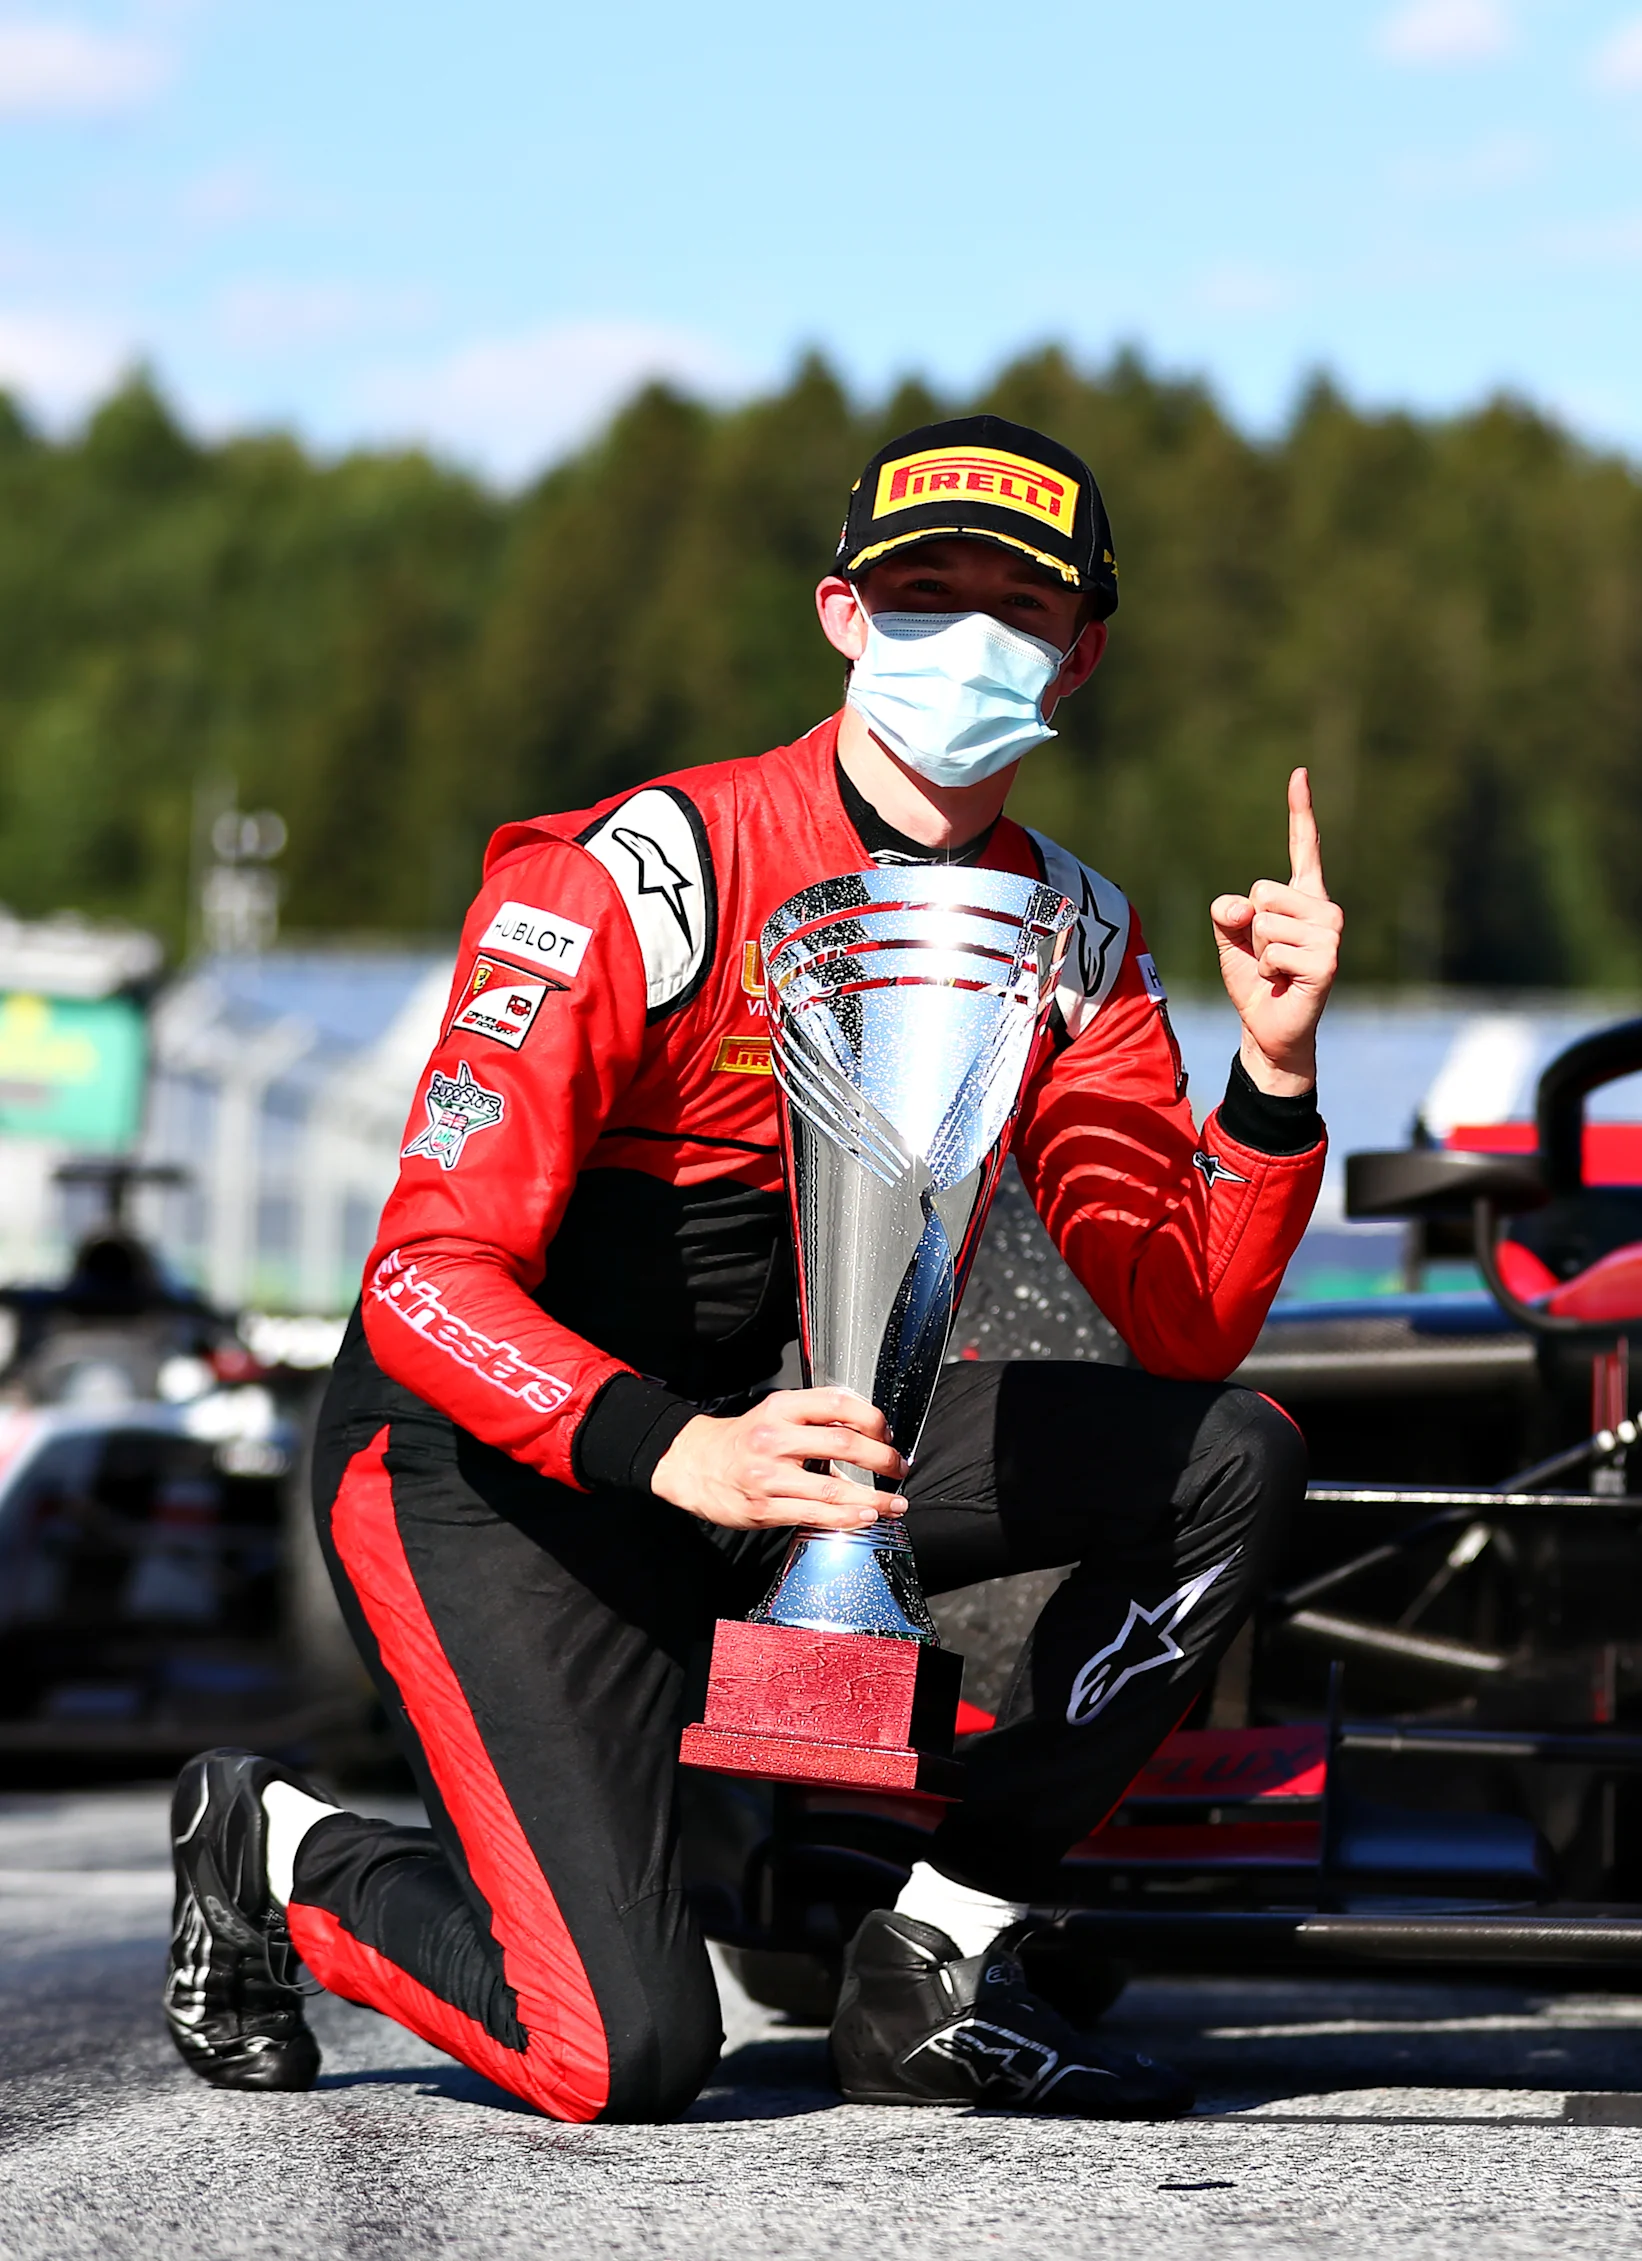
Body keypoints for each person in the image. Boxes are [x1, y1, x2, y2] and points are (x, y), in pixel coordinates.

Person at [163, 415, 1343, 2123]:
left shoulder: (1075, 932)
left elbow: (1184, 1313)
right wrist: (678, 1451)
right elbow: (425, 1276)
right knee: (619, 2055)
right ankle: (274, 1849)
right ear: (842, 616)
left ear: (1079, 657)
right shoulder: (649, 871)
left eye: (1015, 608)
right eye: (921, 593)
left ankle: (938, 1953)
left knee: (1231, 1458)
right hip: (477, 1468)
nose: (968, 636)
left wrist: (1276, 1078)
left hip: (777, 1449)